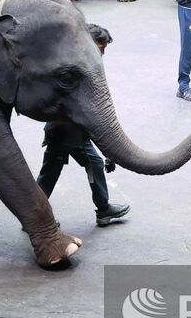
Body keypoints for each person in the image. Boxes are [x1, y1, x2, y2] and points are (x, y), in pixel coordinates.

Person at [36, 24, 130, 227]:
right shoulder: (75, 67)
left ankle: (102, 210)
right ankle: (33, 216)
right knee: (55, 170)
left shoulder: (80, 63)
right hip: (65, 131)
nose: (102, 54)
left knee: (68, 168)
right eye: (101, 48)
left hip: (71, 131)